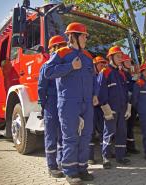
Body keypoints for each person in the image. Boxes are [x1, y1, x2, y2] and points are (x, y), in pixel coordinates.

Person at [44, 22, 95, 185]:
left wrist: (94, 95)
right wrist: (69, 66)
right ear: (73, 36)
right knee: (71, 137)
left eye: (86, 36)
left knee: (86, 136)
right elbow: (47, 72)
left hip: (87, 102)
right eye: (83, 36)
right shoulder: (62, 53)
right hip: (68, 103)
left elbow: (92, 79)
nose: (86, 39)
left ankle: (82, 168)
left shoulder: (88, 56)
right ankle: (70, 171)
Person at [97, 46, 131, 169]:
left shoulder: (121, 74)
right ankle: (105, 157)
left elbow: (126, 91)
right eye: (118, 56)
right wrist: (106, 110)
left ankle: (120, 156)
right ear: (111, 57)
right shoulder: (105, 72)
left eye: (121, 56)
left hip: (122, 110)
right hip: (111, 110)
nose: (120, 59)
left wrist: (128, 107)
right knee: (109, 133)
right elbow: (101, 92)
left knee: (122, 133)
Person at [38, 35, 66, 178]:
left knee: (62, 134)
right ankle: (52, 166)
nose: (62, 50)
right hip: (51, 103)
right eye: (59, 47)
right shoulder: (46, 67)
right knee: (51, 135)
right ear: (52, 49)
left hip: (64, 103)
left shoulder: (65, 67)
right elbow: (41, 89)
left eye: (63, 47)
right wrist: (42, 105)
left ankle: (61, 162)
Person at [88, 56, 108, 165]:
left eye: (104, 64)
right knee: (90, 132)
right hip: (91, 108)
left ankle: (104, 155)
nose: (103, 66)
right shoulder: (90, 77)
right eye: (101, 64)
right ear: (95, 65)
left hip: (100, 108)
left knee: (102, 131)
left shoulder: (102, 76)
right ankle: (89, 157)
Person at [121, 54, 140, 154]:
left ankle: (131, 147)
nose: (129, 63)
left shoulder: (129, 74)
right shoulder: (121, 74)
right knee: (124, 127)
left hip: (131, 104)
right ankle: (124, 149)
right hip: (124, 104)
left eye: (129, 62)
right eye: (127, 62)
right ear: (122, 63)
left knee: (130, 126)